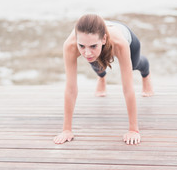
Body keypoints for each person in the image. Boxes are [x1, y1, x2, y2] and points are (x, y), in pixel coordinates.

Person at [53, 14, 154, 145]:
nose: (87, 52)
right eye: (82, 46)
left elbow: (128, 88)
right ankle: (101, 78)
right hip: (97, 38)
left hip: (127, 39)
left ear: (104, 39)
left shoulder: (119, 43)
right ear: (77, 39)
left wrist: (133, 130)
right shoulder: (70, 45)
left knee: (135, 65)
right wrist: (66, 130)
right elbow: (71, 88)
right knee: (96, 62)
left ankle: (146, 75)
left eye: (93, 46)